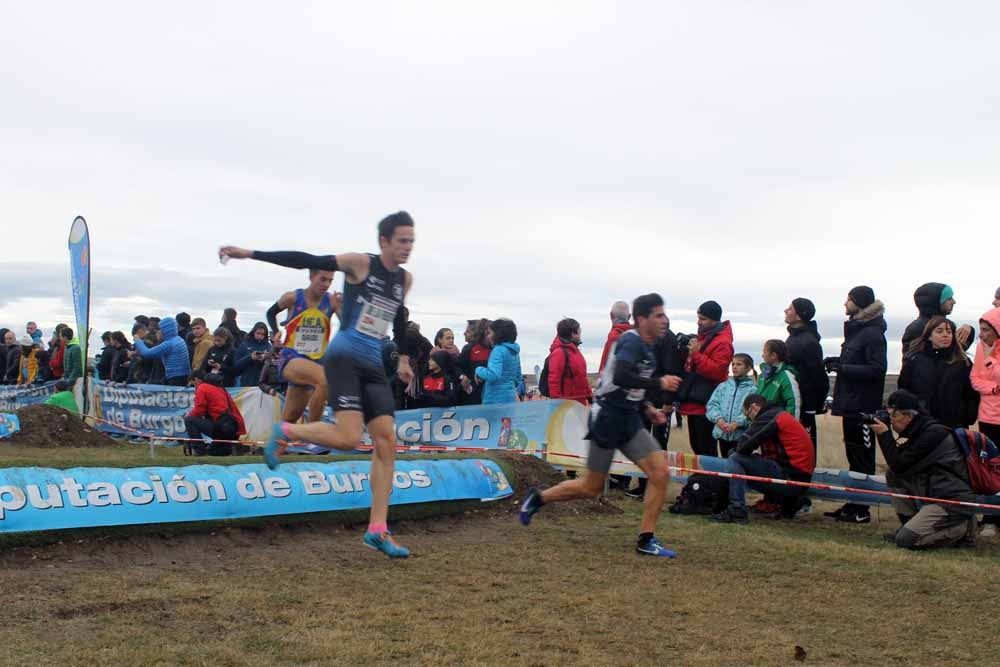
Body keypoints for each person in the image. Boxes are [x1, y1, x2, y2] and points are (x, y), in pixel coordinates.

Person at [219, 210, 417, 558]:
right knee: (349, 438)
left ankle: (378, 529)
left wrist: (401, 358)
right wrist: (249, 253)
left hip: (372, 361)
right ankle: (289, 431)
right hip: (344, 357)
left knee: (387, 441)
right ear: (384, 241)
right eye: (402, 241)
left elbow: (399, 318)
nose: (407, 248)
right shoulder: (360, 264)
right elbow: (305, 260)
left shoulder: (405, 279)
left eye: (411, 241)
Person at [519, 293, 679, 557]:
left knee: (660, 474)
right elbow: (621, 374)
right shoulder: (630, 340)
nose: (665, 320)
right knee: (590, 487)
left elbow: (625, 384)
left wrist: (646, 407)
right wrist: (659, 384)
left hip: (629, 417)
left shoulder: (648, 347)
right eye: (659, 315)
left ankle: (646, 539)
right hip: (608, 418)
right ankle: (539, 498)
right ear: (641, 319)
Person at [870, 390, 976, 549]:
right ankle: (911, 525)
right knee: (893, 476)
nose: (891, 421)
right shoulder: (920, 430)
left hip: (951, 501)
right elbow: (897, 469)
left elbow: (899, 464)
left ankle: (961, 531)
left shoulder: (932, 434)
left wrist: (884, 435)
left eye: (894, 415)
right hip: (937, 494)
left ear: (909, 416)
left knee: (905, 541)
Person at [824, 286, 888, 524]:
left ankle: (862, 508)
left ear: (859, 303)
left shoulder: (872, 334)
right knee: (854, 455)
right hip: (851, 403)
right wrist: (838, 362)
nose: (845, 304)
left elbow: (877, 368)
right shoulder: (858, 331)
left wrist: (844, 368)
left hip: (863, 406)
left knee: (862, 457)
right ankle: (854, 503)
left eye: (849, 300)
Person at [711, 394, 816, 524]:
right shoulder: (779, 415)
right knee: (737, 461)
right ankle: (730, 506)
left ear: (754, 408)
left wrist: (738, 451)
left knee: (735, 458)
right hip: (798, 477)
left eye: (747, 415)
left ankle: (736, 509)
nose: (749, 421)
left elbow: (743, 446)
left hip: (791, 477)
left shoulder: (769, 417)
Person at [263, 265, 338, 426]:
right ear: (311, 277)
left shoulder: (331, 301)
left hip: (315, 362)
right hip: (292, 358)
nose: (326, 284)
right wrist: (276, 331)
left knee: (289, 419)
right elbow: (270, 313)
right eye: (322, 279)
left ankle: (274, 447)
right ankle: (313, 434)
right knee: (324, 381)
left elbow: (348, 324)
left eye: (330, 281)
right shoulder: (293, 298)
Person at [898, 316, 979, 428]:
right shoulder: (915, 360)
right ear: (929, 336)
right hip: (922, 425)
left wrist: (967, 416)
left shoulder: (963, 363)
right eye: (939, 331)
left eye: (949, 332)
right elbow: (904, 389)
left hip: (955, 426)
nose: (945, 335)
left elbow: (972, 394)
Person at [679, 300, 735, 457]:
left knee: (706, 449)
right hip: (696, 401)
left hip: (708, 403)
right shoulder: (703, 337)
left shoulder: (722, 342)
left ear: (715, 319)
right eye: (698, 318)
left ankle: (711, 480)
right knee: (697, 446)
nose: (699, 322)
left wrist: (696, 354)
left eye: (703, 319)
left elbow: (717, 371)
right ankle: (705, 479)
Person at [784, 297, 829, 448]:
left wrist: (814, 406)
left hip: (805, 403)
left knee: (805, 444)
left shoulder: (808, 341)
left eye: (790, 309)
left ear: (799, 315)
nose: (785, 311)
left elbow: (818, 377)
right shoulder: (793, 337)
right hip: (793, 400)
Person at [971, 307, 1000, 537]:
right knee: (990, 467)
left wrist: (991, 360)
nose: (982, 335)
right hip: (988, 417)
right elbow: (975, 379)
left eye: (986, 330)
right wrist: (993, 388)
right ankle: (989, 517)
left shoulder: (989, 353)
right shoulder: (981, 348)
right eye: (980, 330)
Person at [901, 283, 974, 364]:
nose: (954, 302)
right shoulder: (920, 328)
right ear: (935, 302)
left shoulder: (937, 325)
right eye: (949, 299)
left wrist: (969, 330)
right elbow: (945, 358)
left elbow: (953, 352)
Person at [705, 354, 758, 458]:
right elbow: (712, 404)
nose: (734, 367)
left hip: (741, 436)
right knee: (725, 461)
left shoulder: (753, 390)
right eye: (733, 364)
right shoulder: (723, 386)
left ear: (748, 368)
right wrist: (719, 419)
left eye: (739, 364)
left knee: (739, 462)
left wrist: (737, 423)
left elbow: (753, 411)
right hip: (722, 433)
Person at [183, 370, 247, 456]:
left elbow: (199, 410)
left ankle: (200, 452)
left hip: (223, 428)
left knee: (189, 420)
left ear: (196, 379)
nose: (194, 387)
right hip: (233, 428)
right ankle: (227, 449)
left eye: (193, 384)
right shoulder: (219, 387)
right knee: (217, 453)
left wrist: (189, 414)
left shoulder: (202, 388)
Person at [132, 316, 191, 387]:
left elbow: (147, 353)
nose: (158, 331)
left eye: (160, 329)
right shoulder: (179, 339)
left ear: (166, 330)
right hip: (183, 376)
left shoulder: (169, 344)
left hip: (175, 378)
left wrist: (138, 341)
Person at [475, 319, 524, 404]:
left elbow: (494, 375)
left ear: (498, 334)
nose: (488, 336)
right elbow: (518, 377)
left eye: (489, 333)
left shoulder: (498, 350)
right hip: (511, 397)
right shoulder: (514, 352)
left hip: (495, 399)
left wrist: (478, 370)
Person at [546, 318, 591, 405]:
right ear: (572, 333)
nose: (580, 332)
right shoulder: (559, 353)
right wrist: (557, 404)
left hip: (578, 403)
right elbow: (554, 381)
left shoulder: (575, 351)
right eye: (579, 330)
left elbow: (582, 376)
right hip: (566, 406)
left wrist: (589, 394)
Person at [757, 340, 801, 420]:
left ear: (773, 355)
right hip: (761, 422)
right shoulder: (762, 376)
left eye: (764, 352)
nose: (762, 355)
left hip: (776, 423)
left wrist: (790, 427)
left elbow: (793, 403)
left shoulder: (786, 376)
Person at [458, 319, 491, 405]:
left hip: (490, 396)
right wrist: (462, 377)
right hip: (471, 396)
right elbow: (457, 367)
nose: (464, 333)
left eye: (468, 331)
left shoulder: (495, 349)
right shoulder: (469, 348)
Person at [234, 322, 271, 388]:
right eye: (258, 333)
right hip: (246, 383)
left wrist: (265, 359)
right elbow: (236, 365)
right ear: (253, 332)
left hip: (262, 385)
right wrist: (250, 357)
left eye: (262, 334)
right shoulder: (244, 345)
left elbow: (272, 367)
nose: (260, 336)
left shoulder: (269, 346)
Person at [599, 301, 632, 373]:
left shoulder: (613, 338)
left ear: (611, 315)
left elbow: (605, 368)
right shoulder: (637, 336)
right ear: (629, 316)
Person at [59, 327, 83, 409]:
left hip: (74, 381)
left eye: (61, 336)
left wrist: (70, 381)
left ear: (65, 338)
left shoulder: (75, 348)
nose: (60, 339)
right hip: (67, 379)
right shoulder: (66, 347)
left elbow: (77, 366)